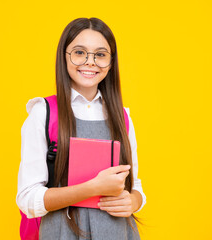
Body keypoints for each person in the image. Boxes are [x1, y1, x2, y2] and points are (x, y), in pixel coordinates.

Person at [16, 17, 147, 240]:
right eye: (79, 52)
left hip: (118, 233)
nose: (90, 61)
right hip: (62, 233)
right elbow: (27, 199)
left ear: (111, 62)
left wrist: (134, 201)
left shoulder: (122, 117)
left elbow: (134, 185)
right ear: (64, 57)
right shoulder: (43, 113)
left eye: (100, 54)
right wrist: (92, 188)